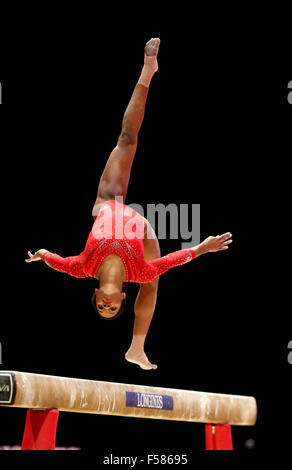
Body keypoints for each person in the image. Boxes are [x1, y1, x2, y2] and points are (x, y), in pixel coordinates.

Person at [25, 38, 232, 370]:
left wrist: (40, 255)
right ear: (122, 297)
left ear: (96, 295)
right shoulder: (138, 272)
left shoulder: (83, 268)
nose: (107, 306)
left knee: (126, 138)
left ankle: (148, 70)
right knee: (154, 280)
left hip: (108, 200)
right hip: (143, 229)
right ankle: (137, 347)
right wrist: (203, 248)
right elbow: (173, 260)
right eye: (113, 308)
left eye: (101, 307)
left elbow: (58, 261)